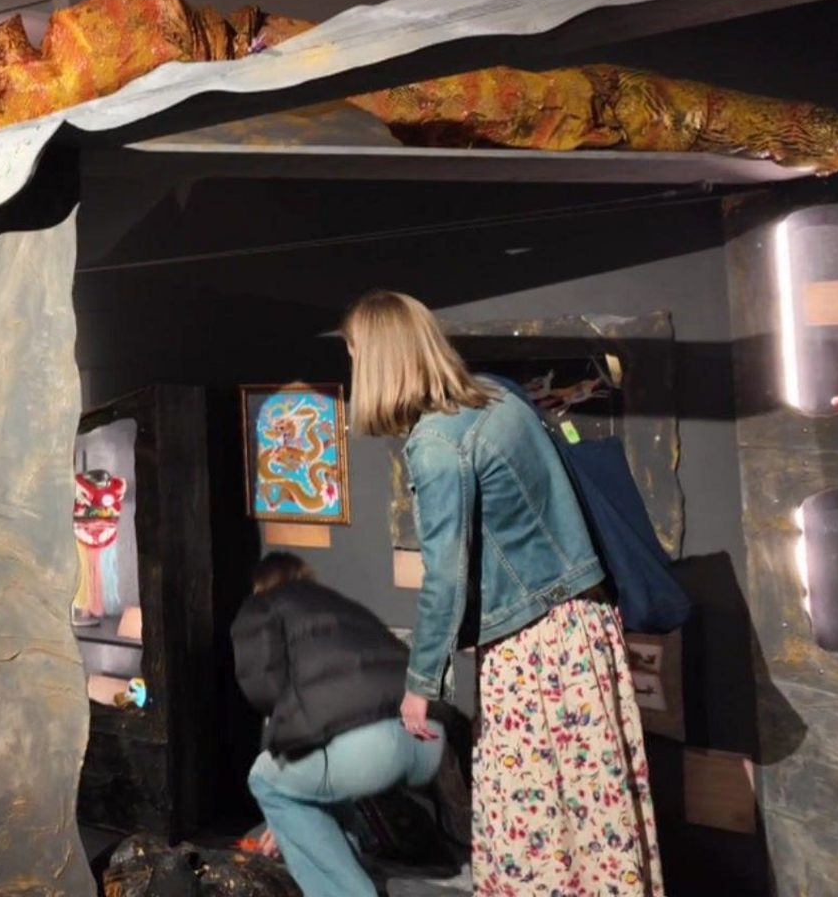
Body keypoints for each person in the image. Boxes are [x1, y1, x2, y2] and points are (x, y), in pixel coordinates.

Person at [343, 290, 664, 896]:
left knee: (533, 830)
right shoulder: (494, 396)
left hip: (535, 651)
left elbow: (444, 575)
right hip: (583, 630)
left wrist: (420, 686)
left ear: (381, 359)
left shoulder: (439, 444)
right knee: (596, 823)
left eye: (358, 354)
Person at [234, 553, 443, 897]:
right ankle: (348, 869)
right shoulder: (342, 605)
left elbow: (265, 693)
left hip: (366, 750)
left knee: (265, 780)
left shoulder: (262, 608)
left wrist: (279, 816)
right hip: (425, 741)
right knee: (313, 785)